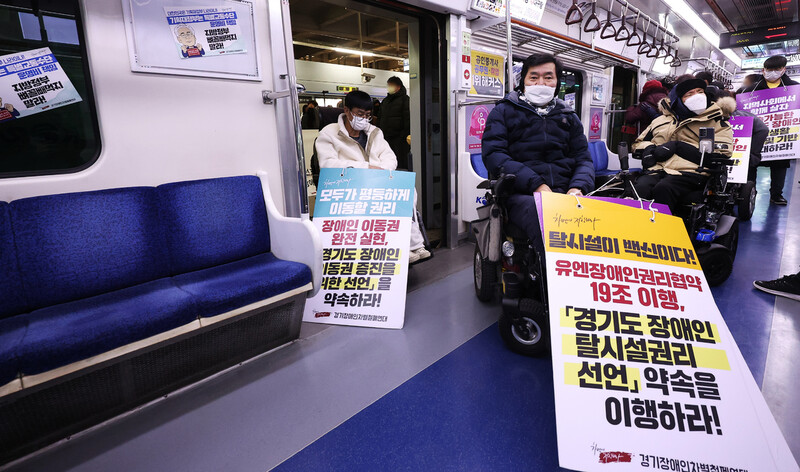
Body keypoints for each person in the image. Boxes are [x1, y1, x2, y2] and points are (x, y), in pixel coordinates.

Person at [482, 53, 594, 250]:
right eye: (534, 77)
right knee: (542, 213)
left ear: (557, 83)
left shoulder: (569, 117)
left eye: (548, 77)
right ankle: (551, 277)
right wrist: (537, 184)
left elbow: (583, 159)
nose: (541, 83)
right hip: (523, 193)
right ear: (523, 81)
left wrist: (578, 187)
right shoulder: (503, 112)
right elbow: (495, 155)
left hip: (567, 192)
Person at [315, 91, 430, 263]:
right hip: (349, 184)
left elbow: (391, 158)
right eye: (359, 114)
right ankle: (402, 248)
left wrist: (381, 171)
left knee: (407, 191)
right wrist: (367, 169)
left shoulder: (375, 132)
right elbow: (328, 165)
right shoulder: (329, 134)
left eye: (368, 115)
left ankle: (414, 244)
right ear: (346, 110)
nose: (364, 119)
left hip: (377, 180)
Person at [633, 77, 734, 214]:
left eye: (700, 91)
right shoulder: (660, 121)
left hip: (691, 172)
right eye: (689, 94)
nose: (697, 96)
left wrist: (679, 147)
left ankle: (663, 231)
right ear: (678, 99)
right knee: (639, 188)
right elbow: (638, 143)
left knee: (664, 189)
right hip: (658, 169)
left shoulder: (717, 122)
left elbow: (721, 154)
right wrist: (648, 149)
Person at [741, 55, 799, 205]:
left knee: (780, 163)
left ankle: (776, 194)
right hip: (756, 133)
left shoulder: (795, 89)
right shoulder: (749, 90)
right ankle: (749, 192)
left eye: (777, 69)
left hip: (781, 134)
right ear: (763, 70)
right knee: (751, 162)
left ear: (784, 69)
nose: (772, 72)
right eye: (769, 69)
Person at [717, 90, 769, 182]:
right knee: (747, 187)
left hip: (717, 159)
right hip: (744, 159)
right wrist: (752, 152)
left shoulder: (708, 118)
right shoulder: (745, 116)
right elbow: (763, 130)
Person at [378, 77, 411, 170]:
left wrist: (403, 135)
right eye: (388, 85)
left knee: (399, 162)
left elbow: (407, 119)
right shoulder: (385, 101)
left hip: (399, 140)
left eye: (391, 85)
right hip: (385, 138)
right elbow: (380, 117)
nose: (389, 87)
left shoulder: (405, 100)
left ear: (398, 87)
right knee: (386, 161)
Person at [622, 80, 669, 144]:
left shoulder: (645, 104)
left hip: (646, 138)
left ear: (645, 91)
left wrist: (632, 108)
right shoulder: (669, 102)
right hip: (664, 138)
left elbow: (629, 118)